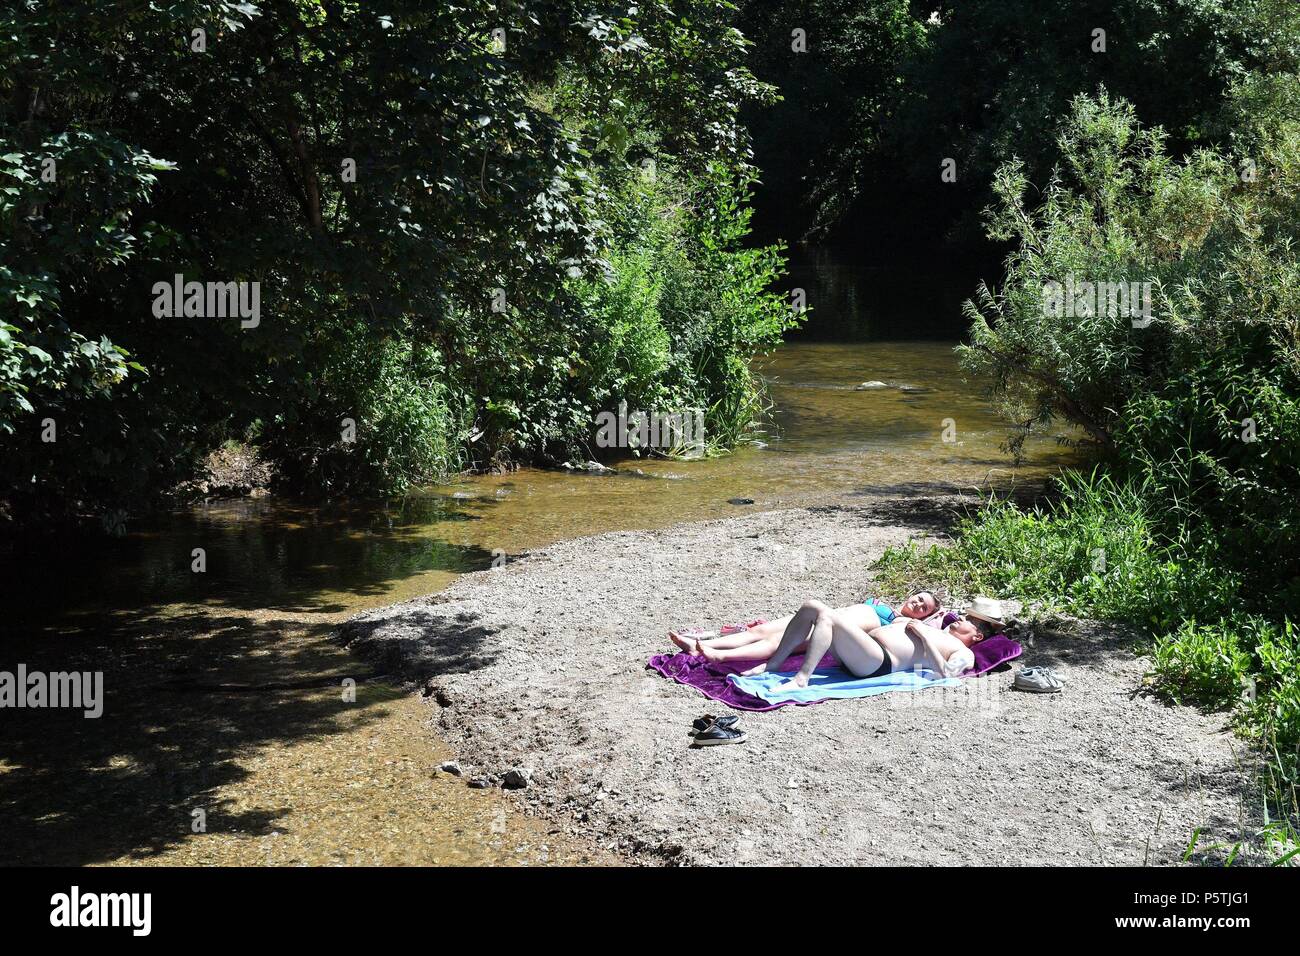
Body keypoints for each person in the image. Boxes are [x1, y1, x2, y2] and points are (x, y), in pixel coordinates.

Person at [743, 596, 1006, 689]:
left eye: (966, 619)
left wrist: (926, 639)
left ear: (978, 635)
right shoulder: (940, 629)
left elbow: (946, 675)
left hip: (878, 662)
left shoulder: (963, 652)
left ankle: (801, 680)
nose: (958, 618)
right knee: (812, 606)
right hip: (864, 651)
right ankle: (774, 664)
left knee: (827, 617)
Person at [668, 591, 941, 663]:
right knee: (759, 632)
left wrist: (932, 620)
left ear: (925, 616)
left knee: (774, 644)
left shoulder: (902, 623)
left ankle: (720, 655)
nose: (918, 604)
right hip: (822, 614)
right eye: (919, 598)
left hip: (829, 630)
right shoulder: (883, 603)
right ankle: (698, 646)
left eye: (924, 607)